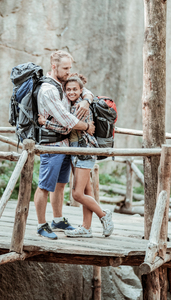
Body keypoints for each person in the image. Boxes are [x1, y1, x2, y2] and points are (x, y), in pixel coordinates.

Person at [38, 74, 114, 238]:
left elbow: (66, 128)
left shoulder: (79, 107)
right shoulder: (78, 102)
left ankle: (103, 214)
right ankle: (86, 228)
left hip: (83, 152)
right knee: (87, 191)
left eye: (75, 89)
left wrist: (45, 123)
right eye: (68, 89)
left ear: (81, 90)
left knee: (77, 194)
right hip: (77, 151)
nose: (71, 92)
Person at [34, 50, 95, 240]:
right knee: (45, 186)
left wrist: (86, 100)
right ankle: (41, 225)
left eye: (70, 68)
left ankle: (58, 220)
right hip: (52, 146)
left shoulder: (62, 83)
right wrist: (87, 127)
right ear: (54, 67)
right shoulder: (48, 90)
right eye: (66, 68)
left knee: (60, 185)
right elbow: (67, 121)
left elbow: (85, 89)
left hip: (65, 144)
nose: (69, 72)